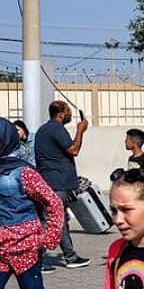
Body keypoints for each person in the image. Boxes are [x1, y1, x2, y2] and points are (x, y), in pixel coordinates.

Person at [0, 118, 63, 289]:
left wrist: (48, 239)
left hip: (27, 249)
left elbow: (53, 203)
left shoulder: (24, 173)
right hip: (0, 251)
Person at [34, 100, 90, 268]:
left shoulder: (45, 129)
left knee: (58, 219)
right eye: (67, 111)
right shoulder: (56, 129)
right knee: (51, 220)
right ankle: (36, 259)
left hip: (53, 182)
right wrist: (81, 130)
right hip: (56, 183)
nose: (70, 114)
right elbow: (73, 150)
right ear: (60, 113)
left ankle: (69, 256)